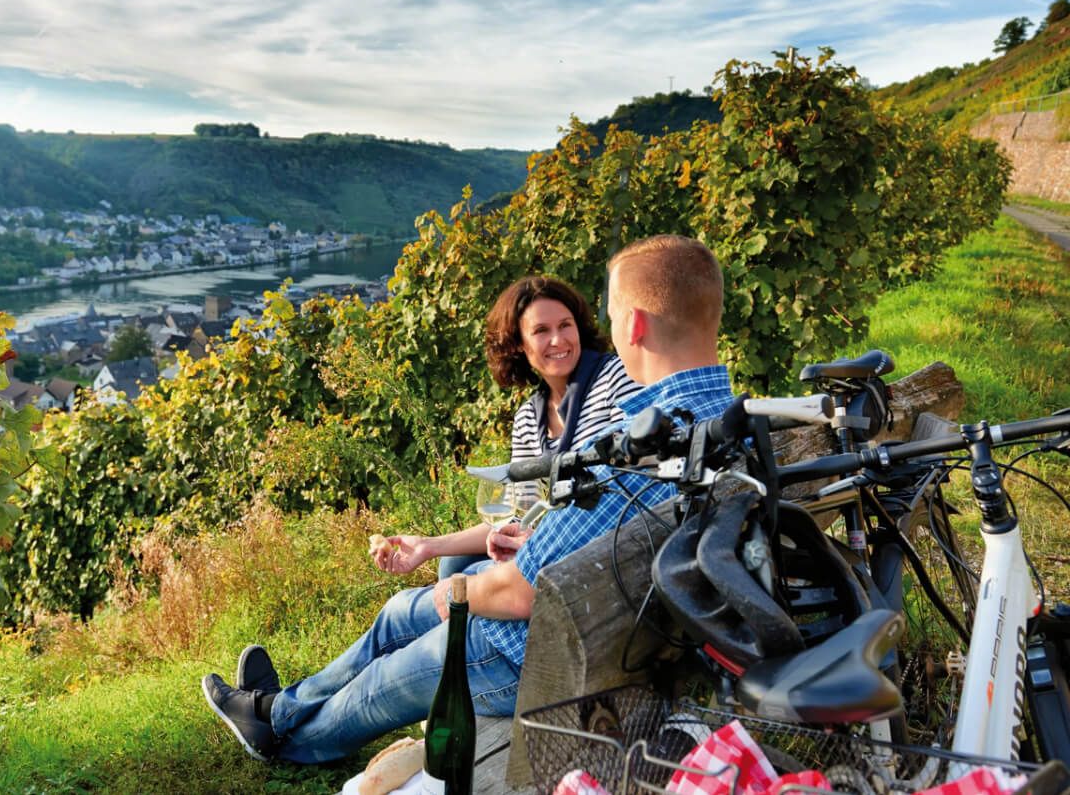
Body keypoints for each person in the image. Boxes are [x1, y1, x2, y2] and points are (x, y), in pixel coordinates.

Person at [202, 234, 734, 765]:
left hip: (547, 654)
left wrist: (457, 589)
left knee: (385, 679)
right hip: (611, 626)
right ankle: (275, 710)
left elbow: (519, 595)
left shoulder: (643, 447)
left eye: (613, 317)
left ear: (635, 324)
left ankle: (285, 743)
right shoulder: (733, 426)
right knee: (398, 614)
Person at [373, 275, 640, 580]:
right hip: (549, 546)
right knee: (452, 565)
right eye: (541, 331)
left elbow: (631, 481)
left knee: (438, 595)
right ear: (517, 346)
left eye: (565, 325)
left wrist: (539, 542)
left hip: (596, 549)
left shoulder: (614, 377)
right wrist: (428, 546)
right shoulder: (528, 418)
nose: (558, 339)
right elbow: (518, 513)